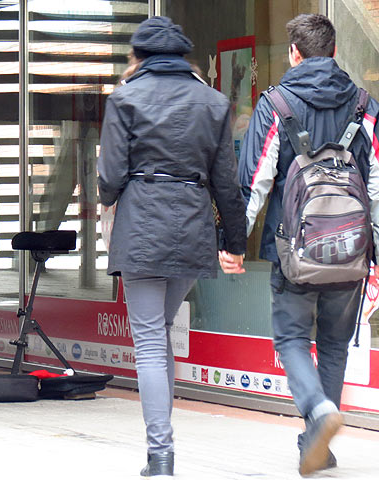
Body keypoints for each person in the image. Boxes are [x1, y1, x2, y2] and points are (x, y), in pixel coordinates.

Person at [97, 16, 246, 478]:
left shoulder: (125, 99)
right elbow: (227, 183)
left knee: (148, 339)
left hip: (142, 223)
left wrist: (109, 199)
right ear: (182, 57)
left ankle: (160, 454)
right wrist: (235, 243)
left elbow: (109, 179)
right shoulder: (215, 102)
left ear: (139, 57)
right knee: (159, 330)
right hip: (192, 224)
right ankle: (160, 447)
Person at [233, 13, 379, 476]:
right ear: (334, 52)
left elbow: (255, 181)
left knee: (293, 337)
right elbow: (376, 187)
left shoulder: (276, 103)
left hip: (294, 251)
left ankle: (317, 411)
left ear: (294, 53)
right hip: (351, 253)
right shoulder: (366, 105)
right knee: (335, 344)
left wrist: (233, 242)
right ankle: (321, 446)